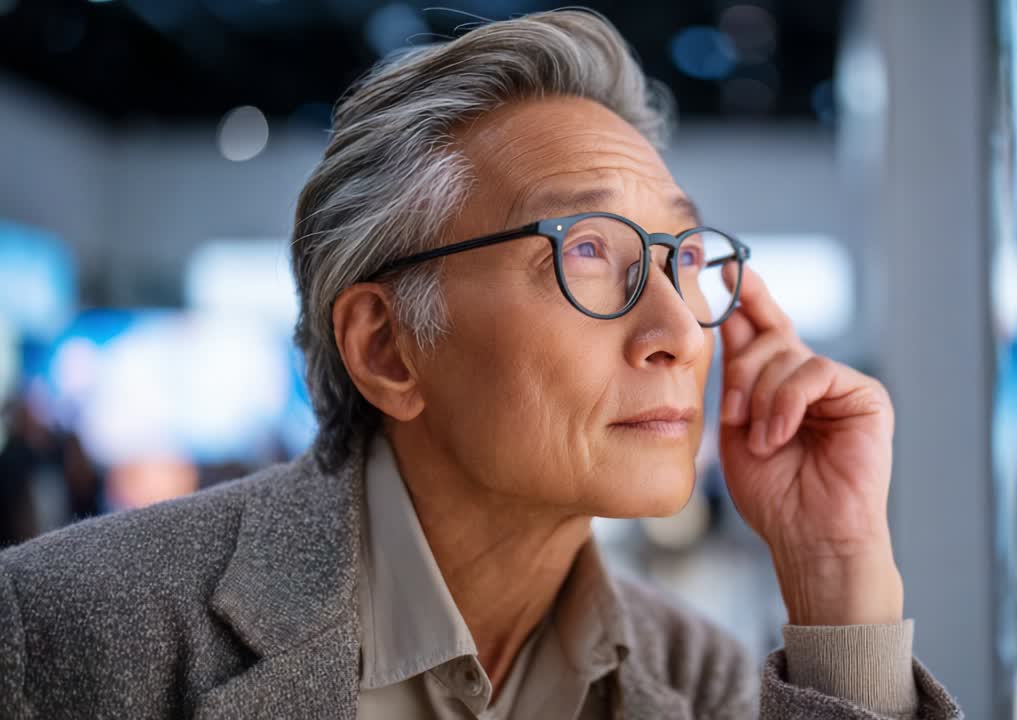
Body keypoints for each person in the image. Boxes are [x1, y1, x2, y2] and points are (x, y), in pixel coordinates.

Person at [0, 10, 960, 719]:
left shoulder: (698, 675)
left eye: (682, 255)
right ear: (386, 348)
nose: (677, 327)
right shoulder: (69, 631)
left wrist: (836, 577)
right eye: (587, 250)